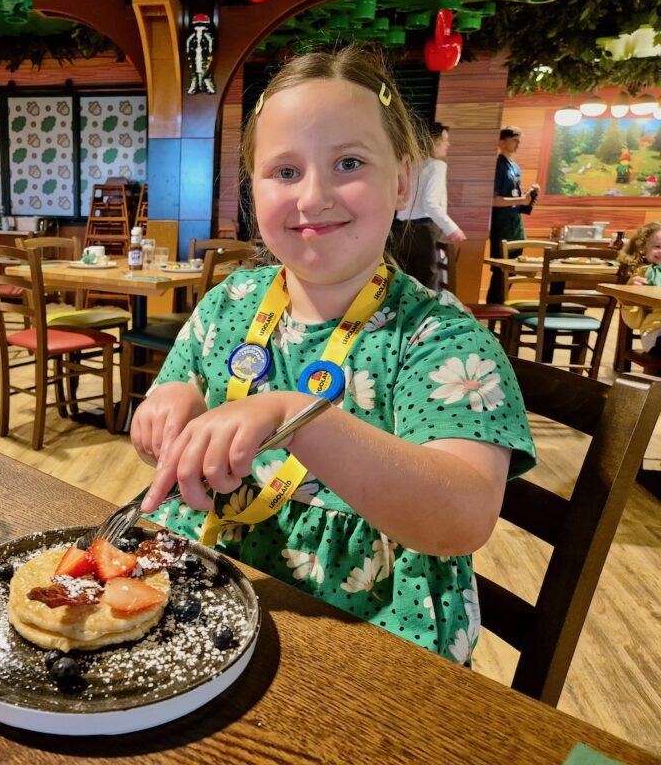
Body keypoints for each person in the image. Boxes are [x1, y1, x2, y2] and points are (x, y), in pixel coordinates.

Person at [132, 47, 536, 664]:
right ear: (253, 188)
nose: (313, 196)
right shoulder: (229, 302)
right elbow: (178, 392)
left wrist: (297, 416)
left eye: (348, 163)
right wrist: (171, 403)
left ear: (402, 181)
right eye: (284, 172)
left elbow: (463, 517)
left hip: (370, 633)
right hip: (209, 594)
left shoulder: (438, 338)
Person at [392, 122, 465, 289]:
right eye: (444, 140)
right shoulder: (436, 165)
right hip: (424, 230)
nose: (448, 144)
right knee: (427, 282)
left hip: (403, 228)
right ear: (433, 141)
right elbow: (431, 203)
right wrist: (452, 229)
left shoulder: (411, 164)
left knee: (406, 280)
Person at [487, 126, 539, 304]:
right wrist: (520, 201)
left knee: (513, 267)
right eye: (514, 139)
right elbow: (493, 199)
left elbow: (516, 196)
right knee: (501, 270)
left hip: (516, 222)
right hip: (502, 223)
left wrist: (528, 197)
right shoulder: (497, 165)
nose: (518, 143)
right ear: (502, 141)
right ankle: (493, 309)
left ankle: (501, 306)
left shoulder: (515, 167)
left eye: (519, 140)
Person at [616, 222, 661, 355]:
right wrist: (629, 297)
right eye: (657, 246)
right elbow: (634, 322)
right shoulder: (642, 276)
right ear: (643, 249)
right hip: (656, 331)